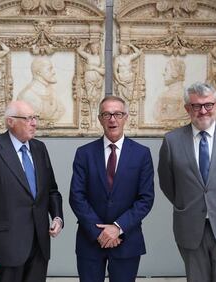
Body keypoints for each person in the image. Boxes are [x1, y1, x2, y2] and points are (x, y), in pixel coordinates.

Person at [158, 82, 216, 282]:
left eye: (208, 105)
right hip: (191, 226)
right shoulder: (172, 141)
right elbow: (168, 184)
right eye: (196, 106)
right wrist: (189, 203)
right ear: (187, 109)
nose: (203, 111)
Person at [0, 100, 64, 282]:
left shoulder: (40, 149)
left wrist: (57, 217)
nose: (34, 123)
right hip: (5, 245)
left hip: (39, 244)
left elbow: (52, 191)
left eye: (35, 118)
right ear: (10, 122)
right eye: (28, 119)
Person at [69, 96, 155, 282]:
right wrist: (99, 232)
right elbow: (77, 196)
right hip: (90, 240)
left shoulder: (142, 154)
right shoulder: (84, 153)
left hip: (127, 239)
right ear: (99, 119)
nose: (112, 119)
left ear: (126, 117)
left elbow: (145, 199)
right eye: (106, 114)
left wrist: (117, 227)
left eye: (117, 114)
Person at [17, 56, 64, 122]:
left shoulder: (52, 93)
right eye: (49, 69)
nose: (53, 72)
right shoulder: (26, 96)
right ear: (39, 72)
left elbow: (61, 111)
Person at [77, 41, 105, 129]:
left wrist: (93, 68)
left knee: (95, 101)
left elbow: (103, 71)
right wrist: (86, 43)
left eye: (95, 47)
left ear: (98, 48)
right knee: (90, 99)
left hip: (97, 80)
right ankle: (92, 124)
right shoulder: (88, 56)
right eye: (92, 47)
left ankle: (94, 124)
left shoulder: (101, 58)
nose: (93, 49)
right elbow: (79, 50)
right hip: (88, 78)